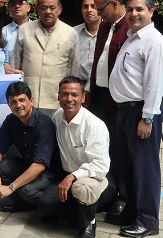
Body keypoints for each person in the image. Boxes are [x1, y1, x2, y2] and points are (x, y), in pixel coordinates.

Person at [109, 0, 163, 238]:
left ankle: (147, 220)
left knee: (145, 169)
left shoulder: (154, 41)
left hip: (141, 113)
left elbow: (155, 83)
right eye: (131, 9)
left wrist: (147, 119)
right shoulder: (133, 37)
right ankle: (133, 211)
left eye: (140, 9)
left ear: (151, 11)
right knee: (128, 167)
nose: (134, 14)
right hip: (124, 112)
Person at [38, 77, 116, 238]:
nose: (69, 99)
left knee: (82, 188)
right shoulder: (58, 116)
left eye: (74, 94)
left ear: (83, 97)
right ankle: (81, 211)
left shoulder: (94, 126)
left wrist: (73, 176)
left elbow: (100, 167)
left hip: (96, 179)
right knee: (45, 204)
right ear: (58, 96)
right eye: (65, 94)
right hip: (69, 176)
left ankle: (88, 222)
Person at [89, 0, 130, 224]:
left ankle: (123, 196)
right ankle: (106, 192)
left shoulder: (130, 28)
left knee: (120, 150)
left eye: (100, 7)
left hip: (120, 99)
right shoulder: (105, 26)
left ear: (114, 4)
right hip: (100, 96)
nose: (97, 12)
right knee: (101, 147)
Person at [0, 81, 57, 212]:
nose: (18, 105)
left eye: (22, 100)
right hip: (28, 165)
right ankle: (25, 204)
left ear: (31, 100)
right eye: (13, 102)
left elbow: (39, 165)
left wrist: (11, 187)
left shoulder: (44, 123)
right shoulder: (11, 120)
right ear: (8, 105)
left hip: (48, 173)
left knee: (27, 190)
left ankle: (51, 208)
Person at [12, 0, 80, 113]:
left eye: (52, 8)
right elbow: (15, 63)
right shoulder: (24, 30)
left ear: (59, 9)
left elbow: (74, 68)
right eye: (43, 8)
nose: (48, 12)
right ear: (37, 9)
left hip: (56, 98)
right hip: (28, 96)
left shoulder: (70, 33)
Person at [74, 0, 101, 83]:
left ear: (100, 9)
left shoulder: (110, 32)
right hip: (78, 85)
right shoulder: (73, 33)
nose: (89, 10)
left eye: (93, 6)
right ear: (81, 10)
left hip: (100, 86)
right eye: (85, 6)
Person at [2, 0, 31, 64]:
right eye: (13, 4)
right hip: (11, 74)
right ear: (8, 9)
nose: (17, 6)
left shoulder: (37, 29)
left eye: (21, 3)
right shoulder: (3, 32)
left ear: (28, 7)